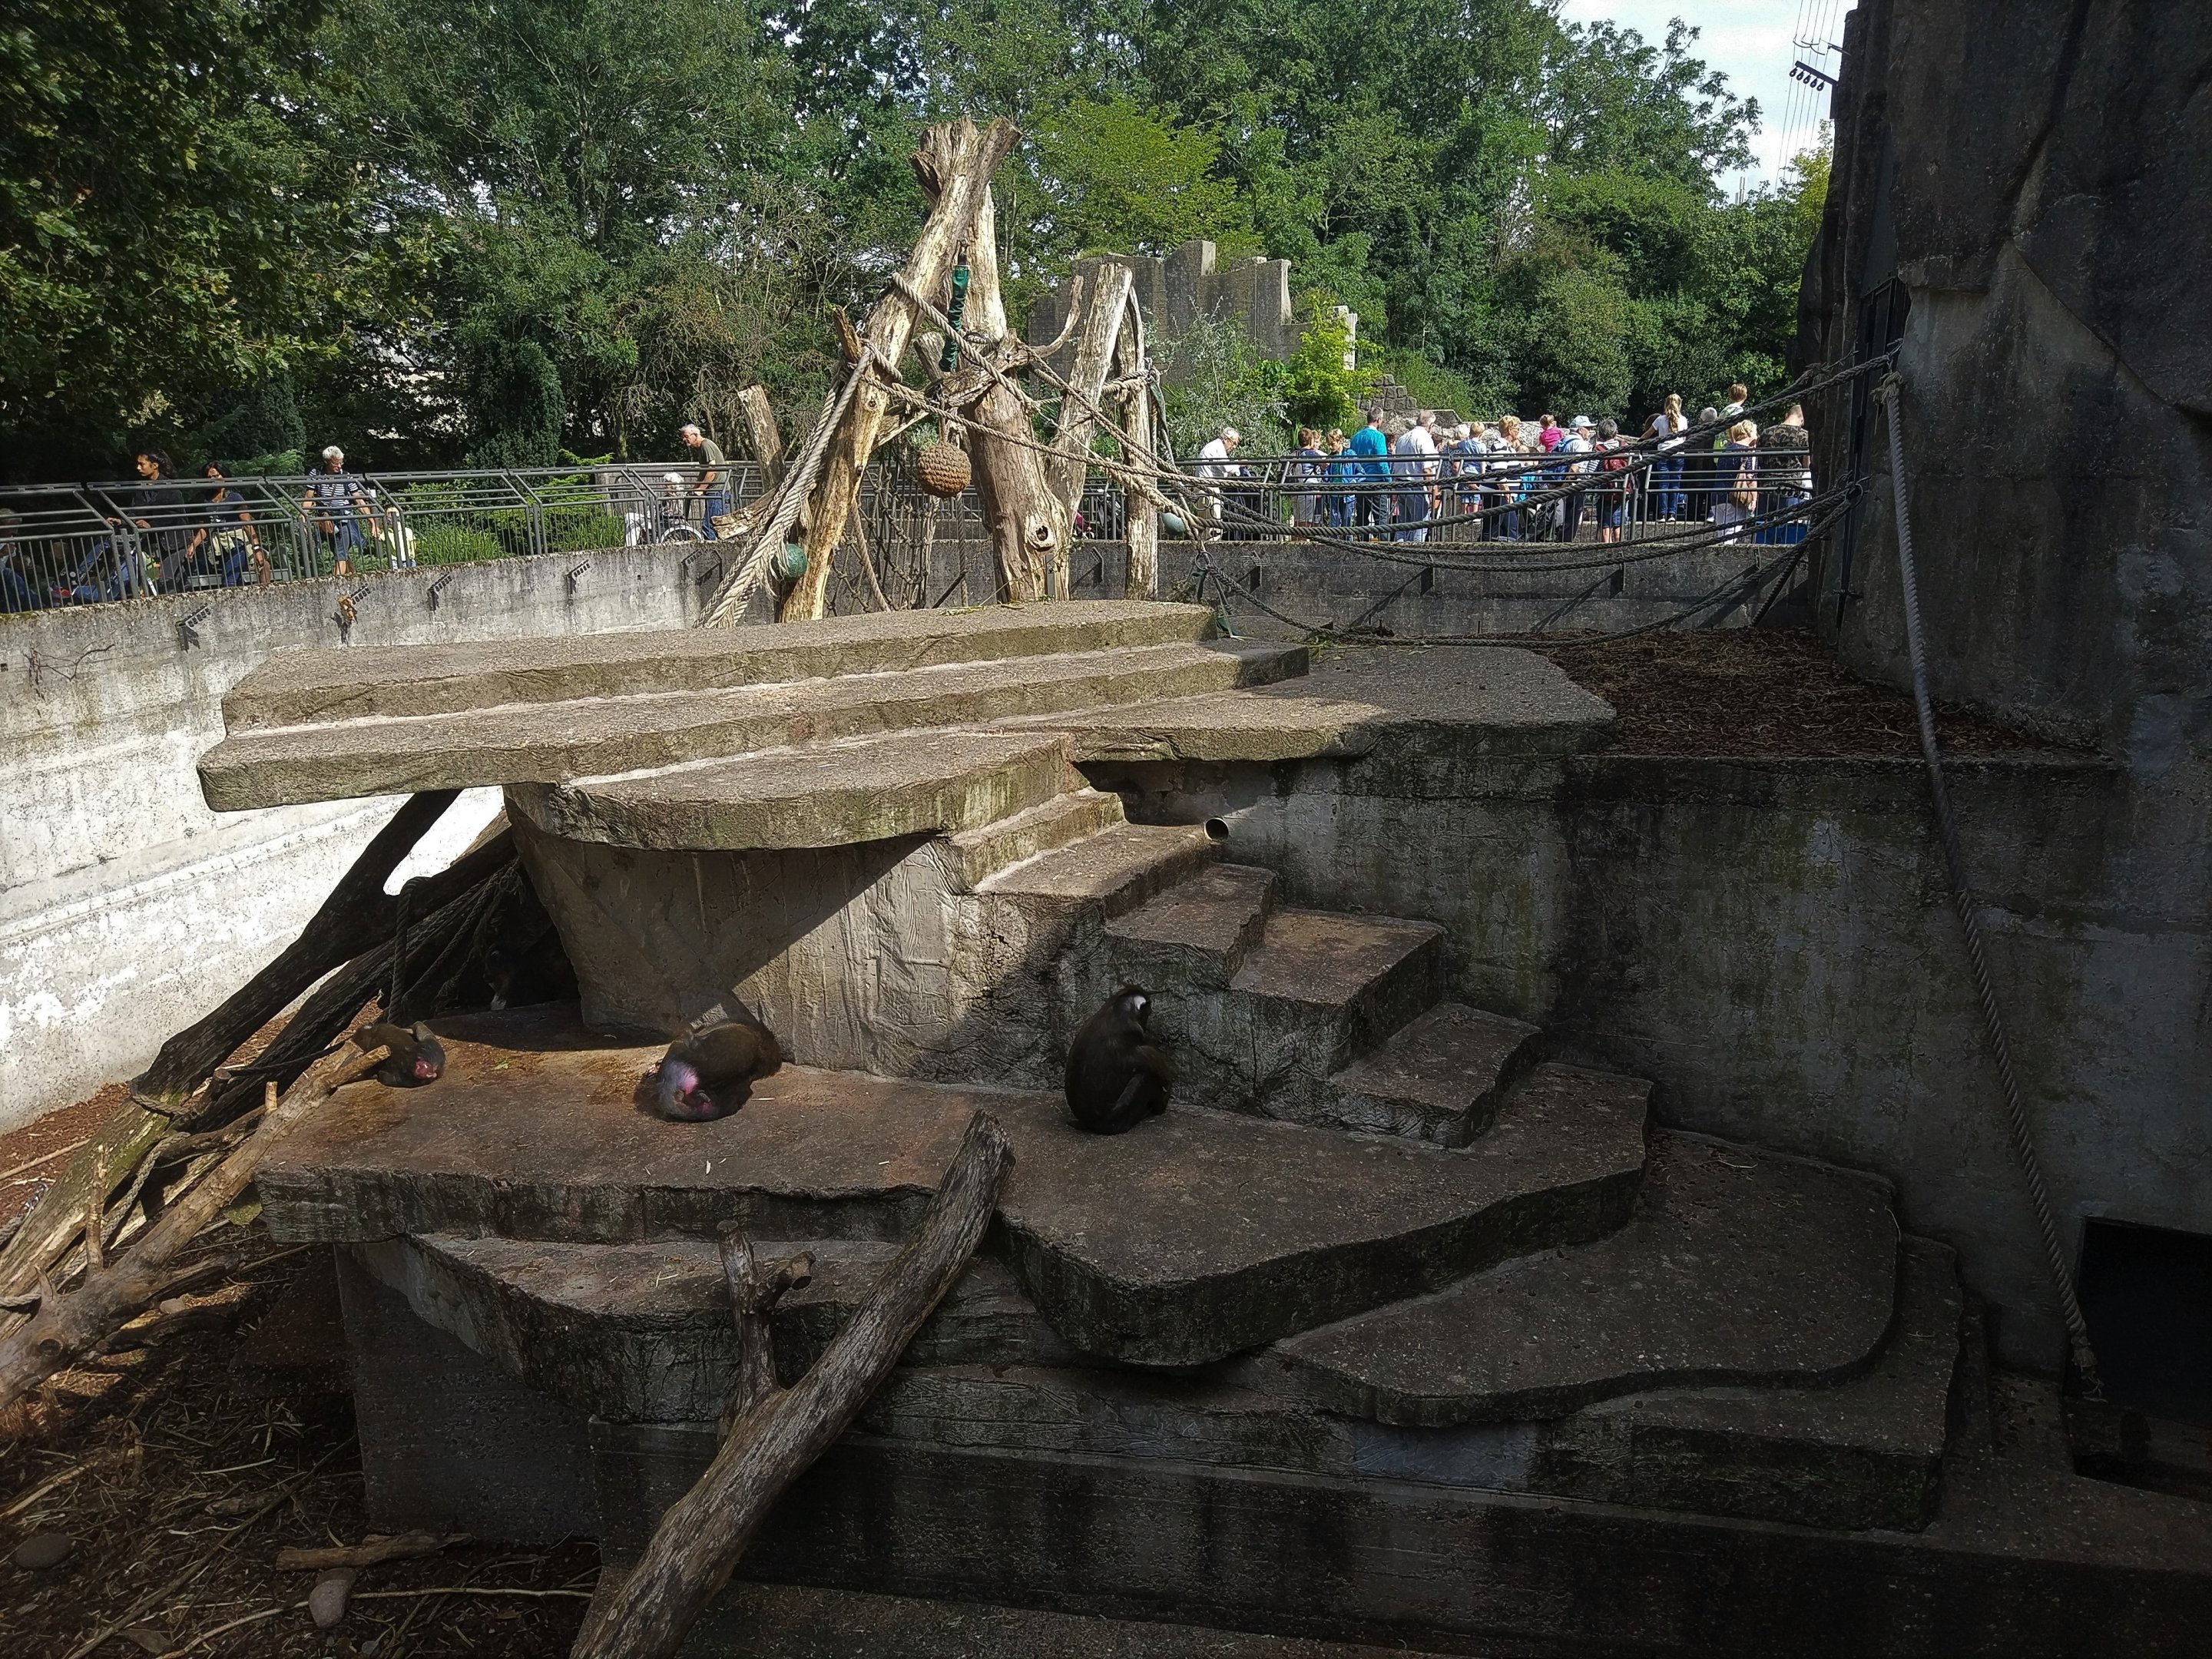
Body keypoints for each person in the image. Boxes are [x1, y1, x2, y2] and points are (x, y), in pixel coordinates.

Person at [186, 463, 270, 586]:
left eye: (215, 476)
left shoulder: (234, 497)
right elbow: (206, 526)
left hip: (237, 544)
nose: (212, 480)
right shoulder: (206, 500)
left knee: (229, 580)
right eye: (209, 478)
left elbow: (247, 525)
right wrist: (193, 545)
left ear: (224, 476)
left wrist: (257, 550)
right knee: (237, 580)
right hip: (219, 546)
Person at [305, 446, 377, 575]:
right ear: (327, 461)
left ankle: (336, 584)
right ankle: (344, 579)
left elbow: (359, 500)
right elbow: (308, 498)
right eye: (336, 463)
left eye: (341, 462)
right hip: (326, 520)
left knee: (341, 554)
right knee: (337, 552)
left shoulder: (346, 476)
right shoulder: (316, 474)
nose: (339, 466)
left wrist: (373, 522)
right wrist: (303, 517)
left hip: (343, 518)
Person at [1757, 403, 1813, 542]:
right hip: (1791, 487)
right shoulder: (1804, 435)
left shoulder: (1766, 433)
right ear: (1802, 420)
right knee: (1788, 529)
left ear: (1786, 415)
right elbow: (1807, 465)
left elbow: (1760, 459)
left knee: (1762, 527)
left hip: (1766, 487)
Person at [1392, 411, 1439, 541]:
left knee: (1403, 524)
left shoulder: (1403, 438)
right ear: (1431, 425)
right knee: (1420, 525)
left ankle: (1399, 550)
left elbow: (1396, 466)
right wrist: (1431, 492)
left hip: (1401, 484)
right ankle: (1416, 554)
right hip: (1416, 486)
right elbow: (1427, 469)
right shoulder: (1424, 438)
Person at [1711, 420, 1760, 542]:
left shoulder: (1726, 450)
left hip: (1716, 497)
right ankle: (1723, 561)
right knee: (1730, 537)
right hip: (1735, 498)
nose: (1757, 435)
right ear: (1748, 432)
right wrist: (1754, 499)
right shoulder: (1749, 452)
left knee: (1722, 536)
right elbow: (1750, 477)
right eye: (1755, 431)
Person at [680, 423, 730, 537]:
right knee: (713, 526)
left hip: (717, 491)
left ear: (695, 435)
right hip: (714, 491)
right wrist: (695, 488)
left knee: (710, 526)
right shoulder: (700, 448)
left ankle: (711, 553)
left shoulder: (705, 445)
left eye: (686, 436)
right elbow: (704, 471)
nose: (684, 439)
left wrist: (701, 489)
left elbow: (712, 470)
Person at [1644, 392, 1688, 521]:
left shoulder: (1660, 419)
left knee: (1663, 484)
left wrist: (1638, 444)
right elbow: (1685, 438)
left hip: (1663, 453)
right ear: (1679, 405)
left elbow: (1648, 434)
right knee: (1675, 484)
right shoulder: (1683, 420)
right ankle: (1672, 514)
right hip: (1678, 453)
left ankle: (1662, 514)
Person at [1348, 410, 1389, 535]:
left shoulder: (1356, 437)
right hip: (1376, 484)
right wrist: (1389, 481)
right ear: (1378, 420)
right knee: (1381, 520)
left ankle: (1361, 547)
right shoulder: (1379, 437)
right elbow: (1382, 462)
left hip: (1360, 483)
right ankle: (1384, 549)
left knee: (1361, 519)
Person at [1196, 425, 1241, 533]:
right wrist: (1239, 466)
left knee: (1204, 525)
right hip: (1209, 490)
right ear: (1226, 439)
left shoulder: (1213, 446)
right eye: (1234, 443)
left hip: (1203, 489)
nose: (1234, 447)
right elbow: (1226, 467)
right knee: (1214, 526)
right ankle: (1212, 548)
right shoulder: (1218, 447)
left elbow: (1221, 472)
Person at [1594, 419, 1631, 545]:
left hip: (1605, 492)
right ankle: (1619, 550)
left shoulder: (1598, 449)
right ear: (1616, 433)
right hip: (1622, 490)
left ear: (1600, 434)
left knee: (1606, 524)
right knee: (1618, 524)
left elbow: (1590, 471)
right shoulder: (1625, 446)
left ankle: (1606, 550)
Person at [1290, 429, 1326, 526]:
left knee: (1297, 522)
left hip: (1295, 490)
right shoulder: (1310, 454)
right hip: (1307, 491)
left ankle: (1295, 542)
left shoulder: (1295, 454)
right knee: (1305, 523)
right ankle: (1303, 542)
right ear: (1311, 440)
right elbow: (1326, 461)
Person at [1323, 429, 1354, 528]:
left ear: (1340, 441)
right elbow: (1326, 478)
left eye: (1332, 444)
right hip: (1334, 495)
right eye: (1329, 445)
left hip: (1347, 496)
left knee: (1347, 526)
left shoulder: (1350, 454)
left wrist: (1352, 483)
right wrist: (1324, 469)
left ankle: (1348, 543)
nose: (1330, 447)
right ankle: (1333, 543)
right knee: (1333, 526)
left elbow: (1361, 472)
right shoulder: (1330, 458)